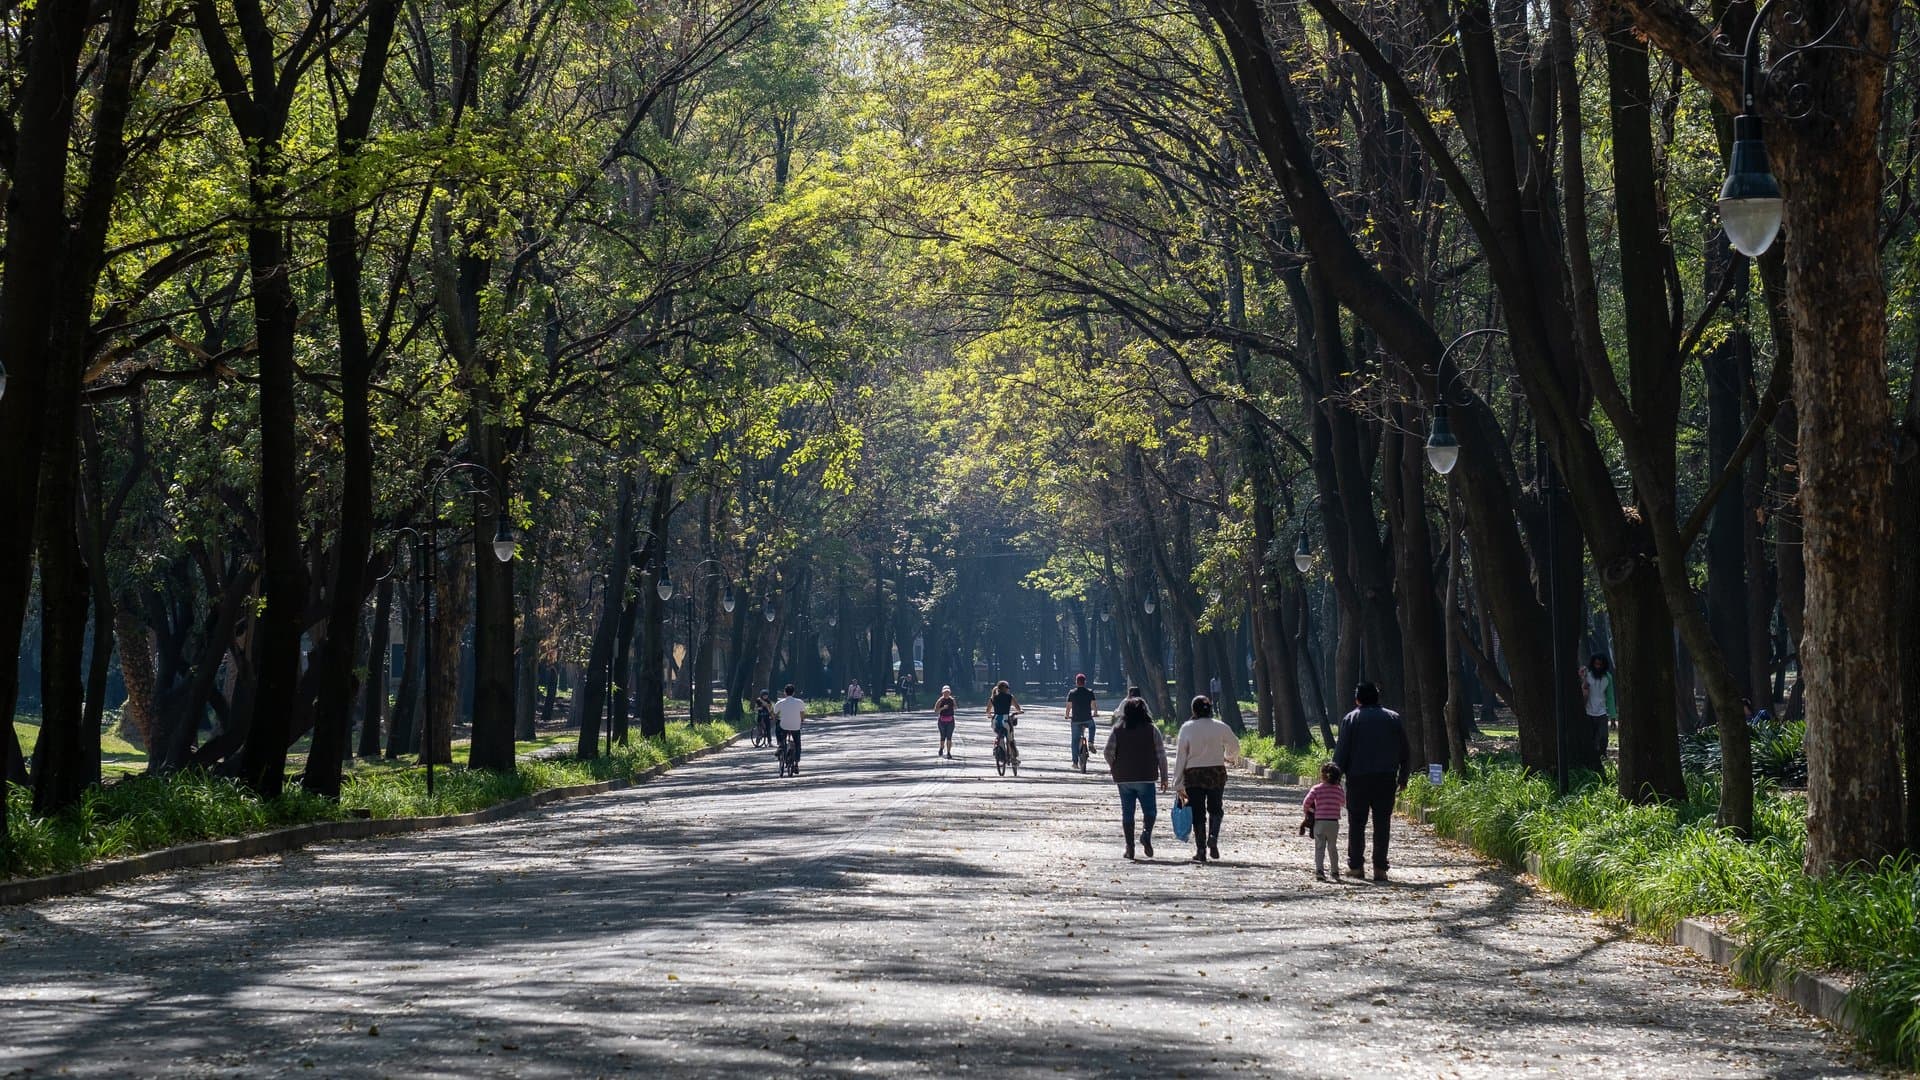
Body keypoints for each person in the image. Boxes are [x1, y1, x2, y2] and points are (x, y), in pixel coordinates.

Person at [1333, 683, 1410, 881]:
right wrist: (1403, 777)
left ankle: (1356, 866)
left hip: (1358, 778)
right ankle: (1380, 868)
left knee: (1357, 822)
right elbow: (1405, 751)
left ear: (1357, 699)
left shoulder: (1351, 719)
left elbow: (1342, 751)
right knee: (1382, 823)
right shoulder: (1393, 718)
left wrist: (1334, 777)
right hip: (1386, 778)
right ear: (1377, 698)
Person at [1171, 695, 1240, 863]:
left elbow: (1181, 756)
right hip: (1216, 773)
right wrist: (1228, 756)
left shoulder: (1187, 728)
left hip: (1193, 774)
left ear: (1193, 710)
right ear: (1210, 709)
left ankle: (1201, 849)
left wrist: (1178, 782)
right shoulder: (1220, 726)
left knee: (1198, 811)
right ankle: (1214, 837)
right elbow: (1235, 744)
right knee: (1216, 807)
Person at [1102, 695, 1168, 859]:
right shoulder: (1152, 730)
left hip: (1124, 778)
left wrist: (1114, 766)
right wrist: (1164, 777)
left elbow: (1107, 752)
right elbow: (1161, 755)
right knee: (1150, 811)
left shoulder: (1118, 729)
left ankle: (1129, 847)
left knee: (1127, 812)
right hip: (1146, 777)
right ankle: (1146, 834)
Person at [1300, 763, 1348, 882]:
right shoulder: (1338, 790)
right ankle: (1335, 871)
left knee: (1319, 847)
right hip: (1333, 823)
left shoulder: (1316, 789)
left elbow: (1306, 803)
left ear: (1322, 775)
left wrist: (1312, 811)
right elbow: (1343, 802)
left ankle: (1320, 871)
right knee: (1332, 847)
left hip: (1319, 821)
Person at [1580, 655, 1616, 757]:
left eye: (1600, 664)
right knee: (1591, 738)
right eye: (1596, 664)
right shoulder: (1588, 676)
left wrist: (1613, 717)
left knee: (1604, 737)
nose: (1598, 666)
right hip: (1588, 712)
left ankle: (1603, 755)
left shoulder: (1607, 677)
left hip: (1602, 712)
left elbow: (1610, 697)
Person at [1064, 674, 1098, 766]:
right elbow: (1094, 705)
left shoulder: (1072, 693)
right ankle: (1091, 742)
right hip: (1087, 718)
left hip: (1076, 720)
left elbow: (1068, 707)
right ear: (1085, 682)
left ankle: (1075, 762)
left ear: (1076, 682)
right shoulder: (1090, 692)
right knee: (1092, 727)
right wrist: (1095, 713)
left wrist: (1067, 715)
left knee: (1075, 741)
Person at [774, 683, 807, 773]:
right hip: (796, 726)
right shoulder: (800, 702)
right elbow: (802, 715)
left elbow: (775, 715)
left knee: (778, 726)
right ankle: (796, 763)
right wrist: (801, 721)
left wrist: (775, 718)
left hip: (784, 726)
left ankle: (780, 744)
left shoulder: (780, 703)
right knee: (797, 744)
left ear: (785, 692)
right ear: (793, 693)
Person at [988, 680, 1021, 763]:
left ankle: (1000, 753)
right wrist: (1019, 711)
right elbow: (1018, 708)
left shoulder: (993, 697)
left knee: (999, 736)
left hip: (995, 722)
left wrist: (990, 715)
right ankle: (1013, 758)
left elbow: (988, 710)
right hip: (1005, 721)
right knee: (1010, 739)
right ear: (1005, 688)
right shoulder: (1010, 697)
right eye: (1007, 688)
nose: (1008, 689)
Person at [935, 685, 958, 757]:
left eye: (948, 692)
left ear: (950, 692)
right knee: (942, 736)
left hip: (950, 720)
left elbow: (956, 708)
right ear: (942, 692)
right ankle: (941, 748)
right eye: (945, 692)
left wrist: (953, 705)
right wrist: (942, 708)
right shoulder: (940, 700)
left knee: (949, 736)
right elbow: (936, 710)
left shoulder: (952, 699)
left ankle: (948, 752)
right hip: (942, 720)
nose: (946, 694)